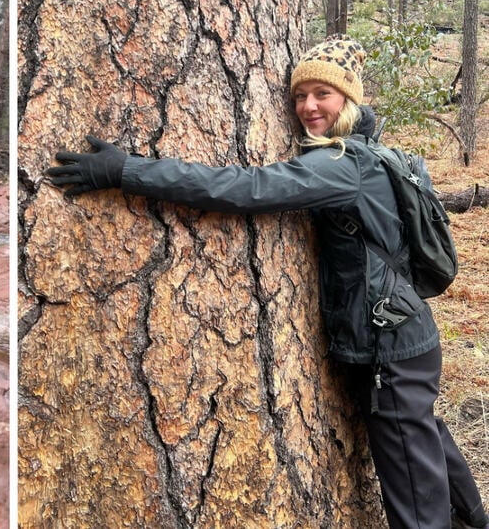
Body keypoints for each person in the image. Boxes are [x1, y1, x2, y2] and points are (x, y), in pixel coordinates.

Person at [47, 35, 487, 529]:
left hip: (390, 348)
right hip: (409, 337)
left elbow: (242, 188)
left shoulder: (341, 164)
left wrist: (127, 170)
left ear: (349, 99)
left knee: (413, 487)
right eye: (300, 95)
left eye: (323, 93)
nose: (308, 106)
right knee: (425, 442)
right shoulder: (374, 154)